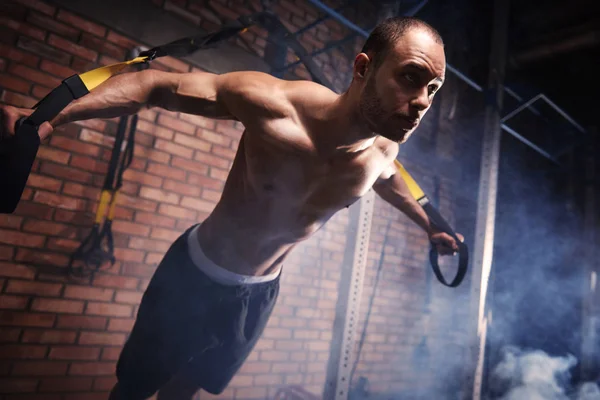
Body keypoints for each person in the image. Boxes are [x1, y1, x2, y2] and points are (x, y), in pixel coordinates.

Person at [1, 16, 462, 400]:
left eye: (434, 89)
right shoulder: (274, 105)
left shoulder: (383, 153)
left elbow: (390, 184)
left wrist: (428, 226)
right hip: (195, 273)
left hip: (257, 295)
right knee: (134, 390)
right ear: (364, 67)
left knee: (187, 391)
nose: (421, 102)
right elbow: (153, 85)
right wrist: (47, 120)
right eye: (410, 77)